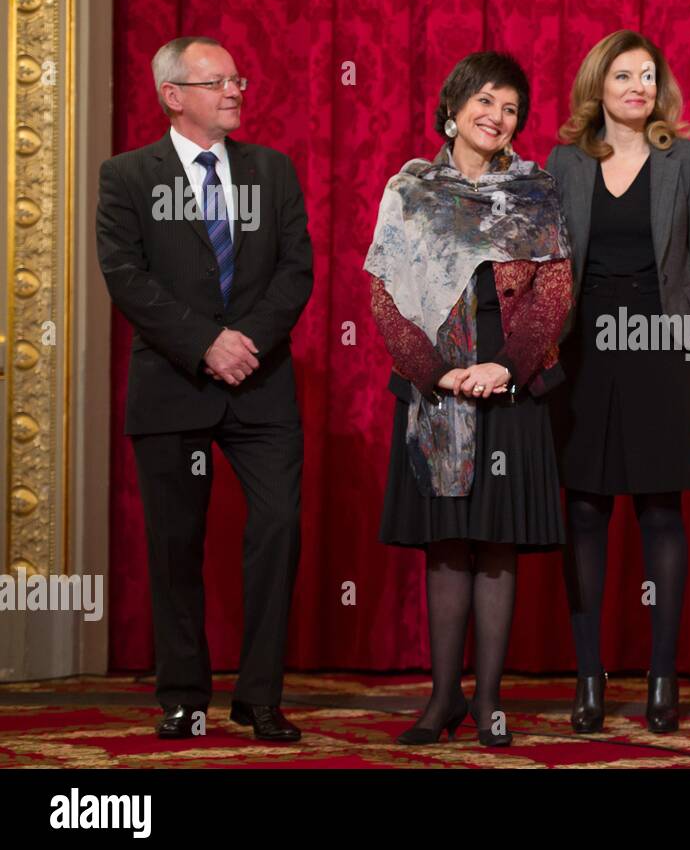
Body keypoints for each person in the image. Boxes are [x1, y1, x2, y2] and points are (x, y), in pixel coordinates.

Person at [95, 36, 313, 741]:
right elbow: (126, 277)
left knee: (278, 528)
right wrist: (203, 344)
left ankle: (259, 698)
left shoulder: (272, 172)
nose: (234, 91)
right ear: (172, 95)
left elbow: (295, 271)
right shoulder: (127, 176)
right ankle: (184, 698)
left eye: (238, 80)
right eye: (217, 81)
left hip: (261, 382)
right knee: (176, 544)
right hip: (173, 384)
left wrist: (243, 342)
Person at [366, 51, 571, 748]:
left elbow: (553, 294)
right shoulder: (411, 188)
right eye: (485, 101)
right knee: (447, 546)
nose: (497, 116)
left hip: (510, 382)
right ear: (452, 109)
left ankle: (489, 703)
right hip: (437, 383)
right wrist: (433, 371)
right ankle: (440, 699)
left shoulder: (535, 190)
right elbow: (385, 291)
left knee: (496, 544)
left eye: (511, 107)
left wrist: (506, 367)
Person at [547, 30, 690, 734]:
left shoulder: (688, 159)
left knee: (660, 509)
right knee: (585, 508)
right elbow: (545, 255)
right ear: (598, 85)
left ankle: (661, 677)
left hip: (659, 340)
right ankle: (588, 678)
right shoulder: (562, 162)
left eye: (648, 75)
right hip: (582, 343)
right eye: (623, 75)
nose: (637, 87)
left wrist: (678, 322)